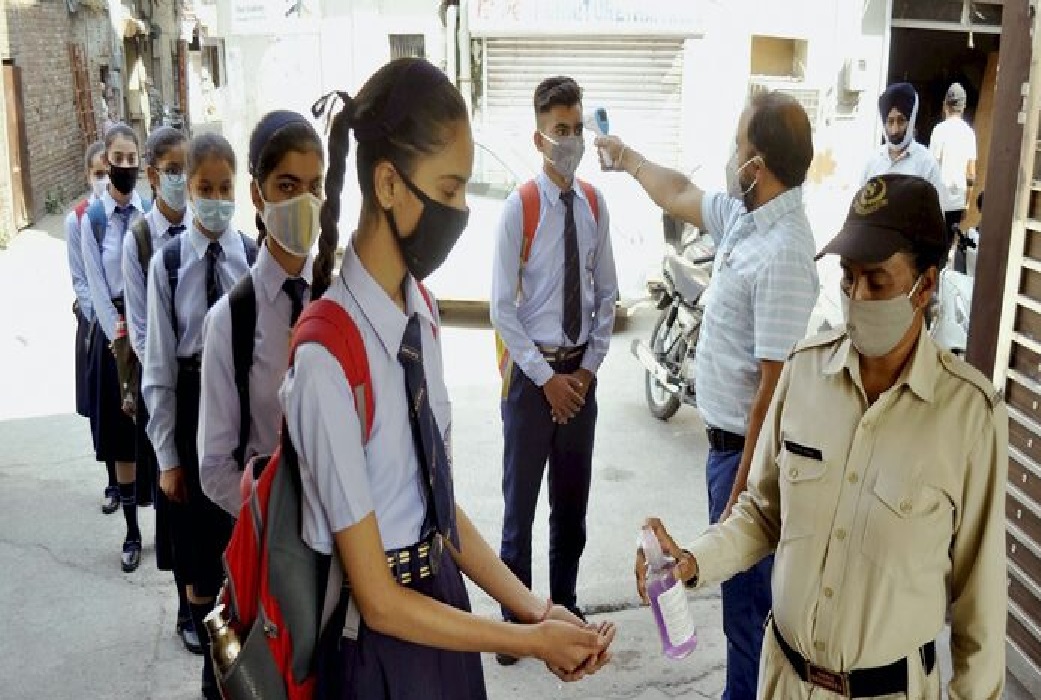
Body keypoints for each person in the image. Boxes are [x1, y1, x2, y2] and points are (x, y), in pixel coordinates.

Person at [283, 57, 614, 698]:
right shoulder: (327, 357)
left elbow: (438, 508)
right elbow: (378, 600)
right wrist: (528, 641)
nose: (461, 211)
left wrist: (536, 609)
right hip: (379, 652)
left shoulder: (420, 314)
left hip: (443, 609)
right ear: (388, 183)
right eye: (450, 188)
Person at [637, 174, 1008, 699]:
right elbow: (762, 513)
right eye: (848, 278)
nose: (857, 296)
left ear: (925, 285)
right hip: (783, 681)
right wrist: (693, 561)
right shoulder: (805, 371)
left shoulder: (970, 417)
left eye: (877, 281)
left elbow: (980, 609)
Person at [597, 90, 819, 700]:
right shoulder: (749, 216)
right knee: (739, 612)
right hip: (725, 451)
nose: (730, 155)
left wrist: (738, 503)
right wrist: (628, 158)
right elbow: (677, 193)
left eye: (737, 144)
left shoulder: (785, 252)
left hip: (747, 458)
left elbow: (773, 392)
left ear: (757, 164)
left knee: (748, 617)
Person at [490, 76, 618, 668]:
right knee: (518, 511)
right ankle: (518, 623)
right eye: (559, 130)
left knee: (571, 508)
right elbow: (501, 308)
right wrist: (546, 379)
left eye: (577, 129)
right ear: (539, 138)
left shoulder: (594, 204)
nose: (570, 141)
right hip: (531, 381)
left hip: (579, 379)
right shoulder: (521, 206)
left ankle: (564, 606)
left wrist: (585, 372)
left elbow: (607, 294)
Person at [142, 132, 256, 700]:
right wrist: (167, 457)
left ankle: (250, 675)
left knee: (246, 556)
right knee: (201, 570)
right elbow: (158, 368)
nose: (215, 199)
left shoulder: (252, 257)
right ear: (186, 189)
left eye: (224, 188)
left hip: (241, 415)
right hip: (190, 411)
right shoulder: (166, 264)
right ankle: (215, 683)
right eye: (204, 188)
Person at [199, 110, 322, 517]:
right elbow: (215, 468)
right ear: (257, 194)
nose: (305, 202)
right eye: (287, 186)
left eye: (314, 187)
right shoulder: (230, 320)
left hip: (350, 536)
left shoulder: (340, 301)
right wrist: (277, 520)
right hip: (271, 534)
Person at [120, 124, 200, 654]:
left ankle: (210, 597)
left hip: (207, 389)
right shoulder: (141, 240)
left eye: (185, 171)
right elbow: (142, 329)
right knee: (176, 499)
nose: (180, 180)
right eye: (172, 171)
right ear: (152, 175)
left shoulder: (204, 228)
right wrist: (163, 392)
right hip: (165, 385)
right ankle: (185, 607)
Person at [81, 123, 148, 571]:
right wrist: (119, 340)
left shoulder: (149, 212)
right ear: (106, 161)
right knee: (123, 441)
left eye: (131, 158)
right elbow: (95, 285)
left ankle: (163, 525)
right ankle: (132, 531)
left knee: (156, 434)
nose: (125, 166)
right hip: (115, 338)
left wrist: (146, 335)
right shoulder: (92, 219)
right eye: (117, 158)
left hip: (149, 330)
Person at [66, 140, 118, 514]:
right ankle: (114, 481)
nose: (103, 180)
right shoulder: (78, 219)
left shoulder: (128, 212)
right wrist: (100, 318)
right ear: (88, 176)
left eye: (108, 173)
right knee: (102, 406)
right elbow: (80, 279)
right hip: (95, 325)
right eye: (97, 174)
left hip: (124, 321)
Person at [861, 82, 945, 203]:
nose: (895, 130)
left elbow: (937, 211)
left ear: (911, 121)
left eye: (901, 121)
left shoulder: (927, 164)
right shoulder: (872, 162)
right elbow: (860, 207)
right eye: (890, 121)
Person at [930, 82, 978, 236]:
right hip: (957, 202)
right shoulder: (969, 133)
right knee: (950, 242)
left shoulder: (939, 131)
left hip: (938, 202)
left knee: (934, 243)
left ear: (945, 105)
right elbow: (971, 175)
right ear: (963, 107)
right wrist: (967, 204)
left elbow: (931, 168)